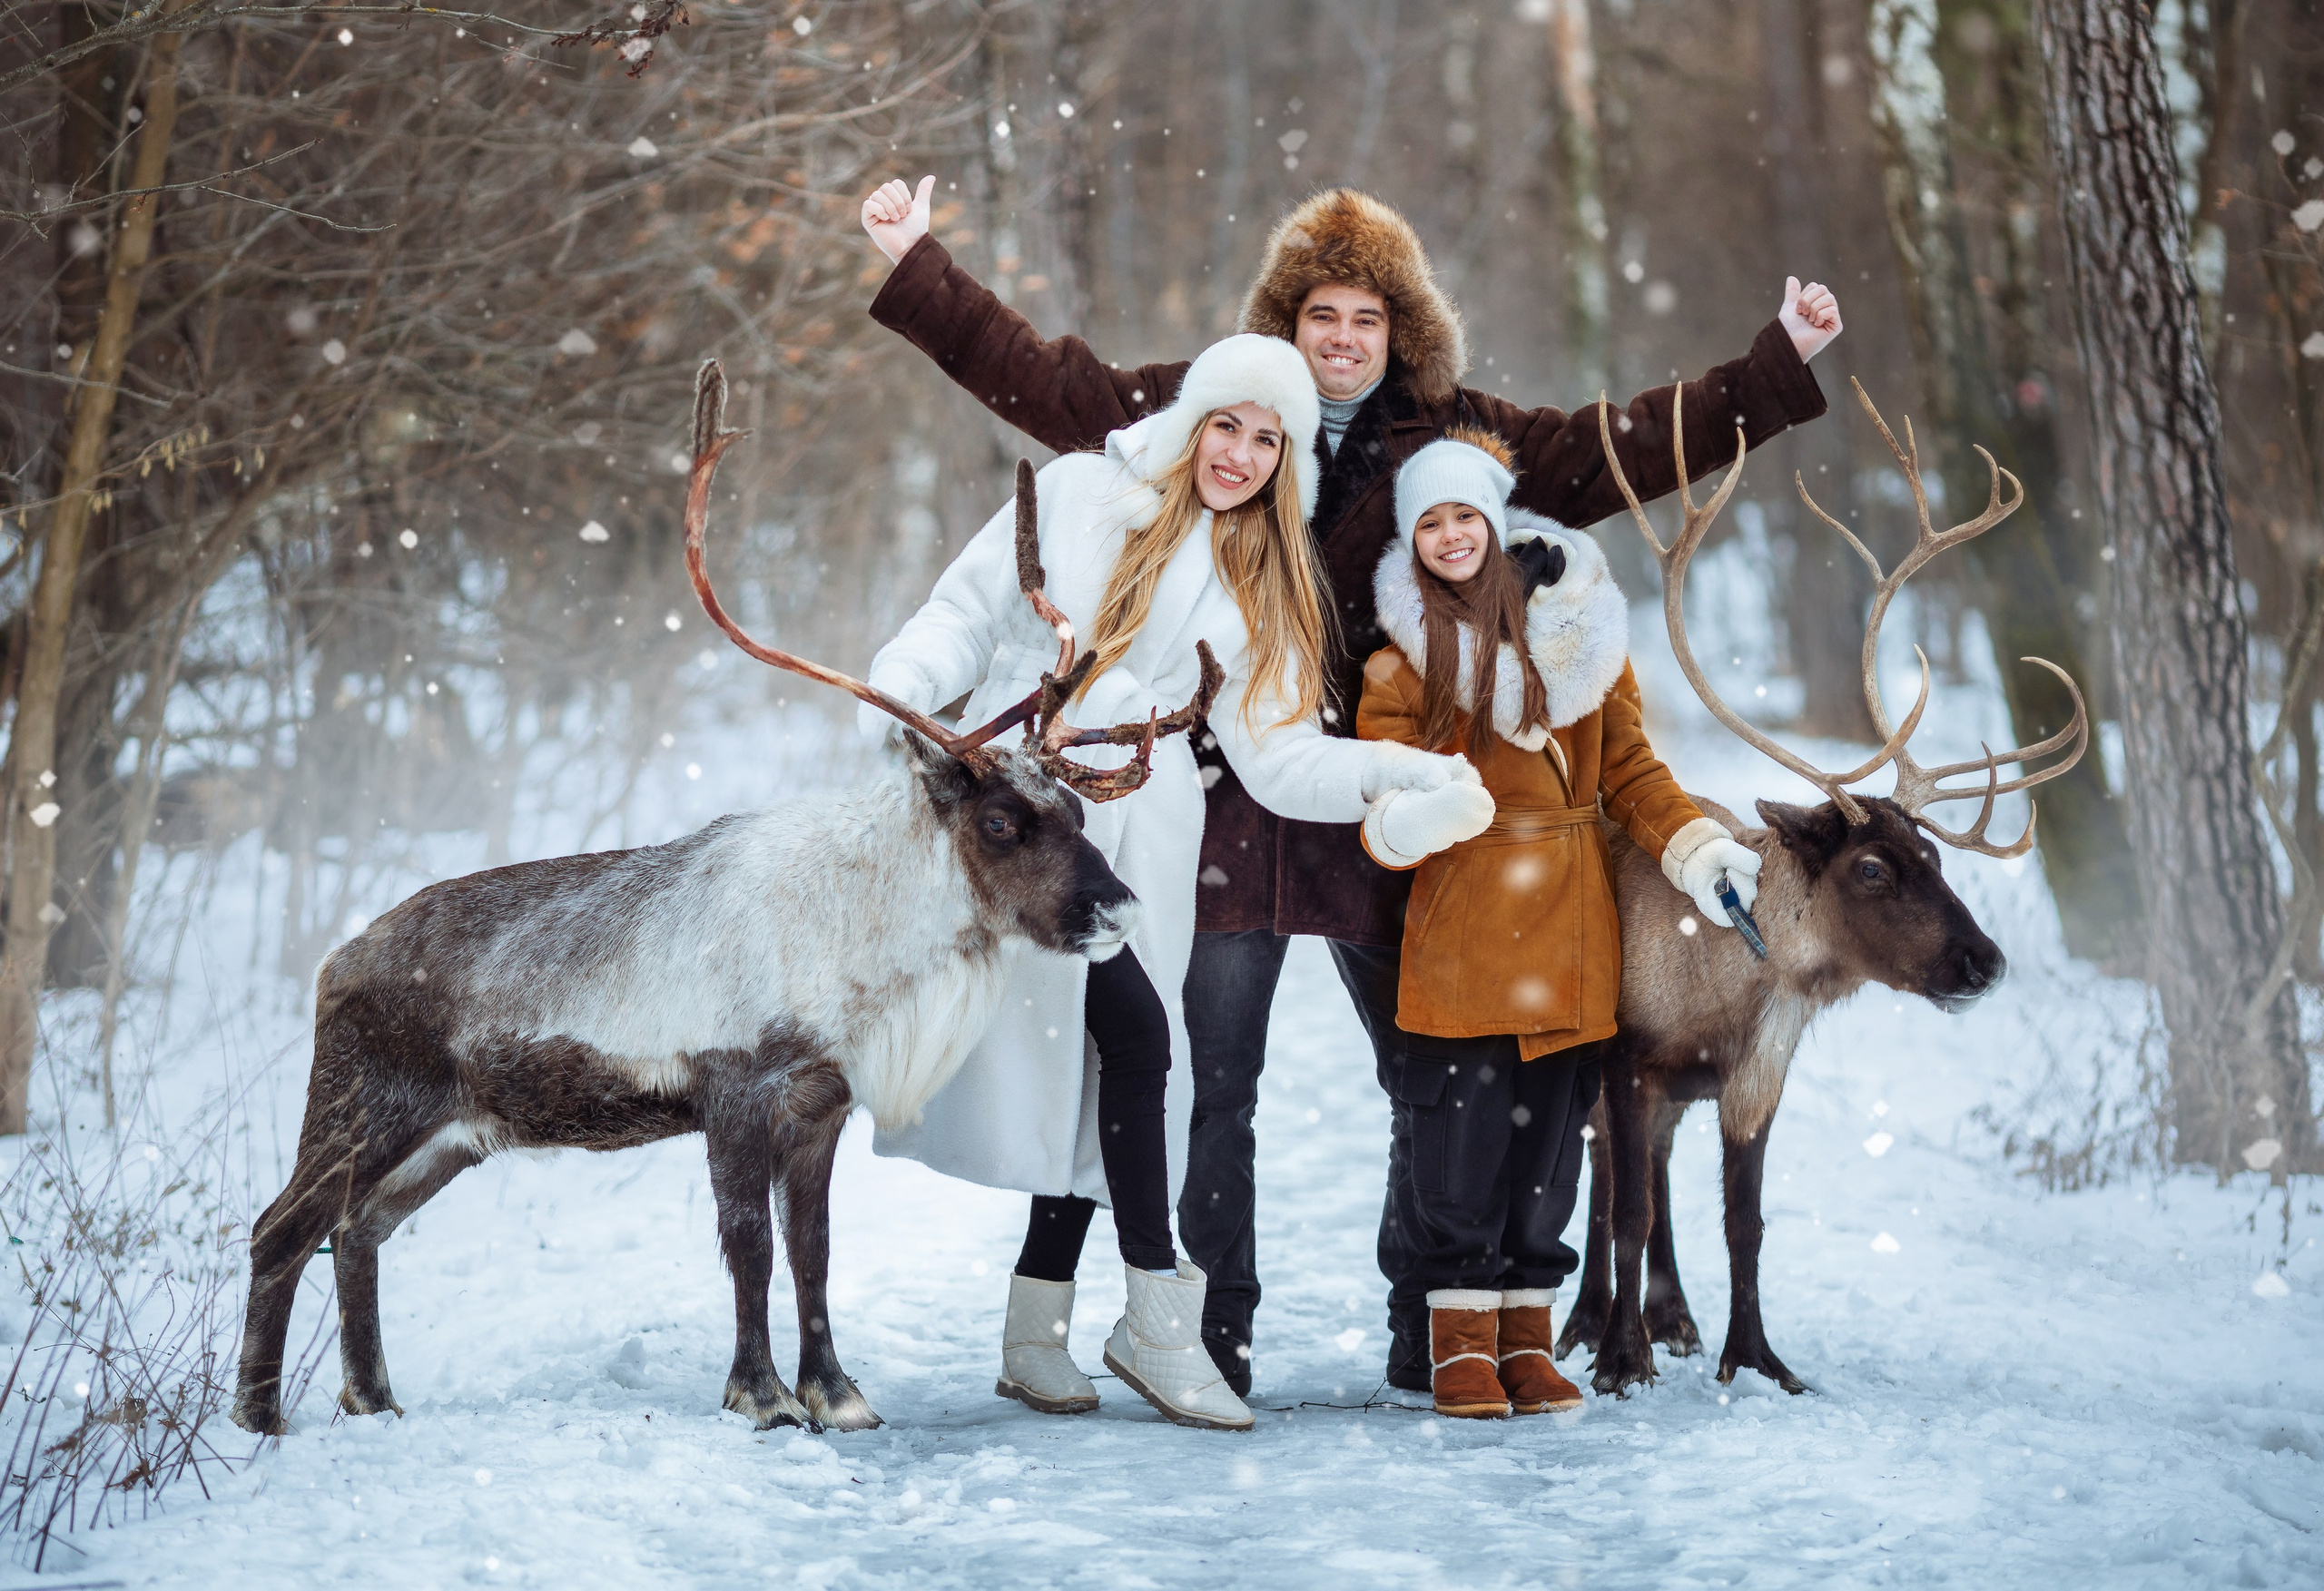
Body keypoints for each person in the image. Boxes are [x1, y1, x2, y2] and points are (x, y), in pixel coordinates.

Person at [860, 175, 1841, 1394]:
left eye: (1367, 319)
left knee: (1431, 1075)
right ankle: (1210, 1332)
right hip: (1227, 797)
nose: (1342, 339)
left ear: (1401, 331)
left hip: (1385, 799)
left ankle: (1429, 1324)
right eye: (1321, 314)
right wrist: (919, 265)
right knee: (1209, 1086)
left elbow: (1615, 447)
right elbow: (1046, 382)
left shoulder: (1459, 433)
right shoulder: (1219, 409)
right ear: (1285, 323)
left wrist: (1771, 368)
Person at [861, 335, 1491, 1430]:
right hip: (1018, 823)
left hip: (1142, 830)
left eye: (1268, 440)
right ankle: (1157, 1319)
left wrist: (1395, 774)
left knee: (1103, 1067)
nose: (1240, 454)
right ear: (1192, 418)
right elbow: (963, 612)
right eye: (1226, 424)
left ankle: (1035, 1334)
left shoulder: (1264, 581)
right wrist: (904, 692)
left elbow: (1279, 756)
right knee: (1140, 1048)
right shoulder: (1076, 494)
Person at [1353, 431, 1760, 1412]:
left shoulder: (1585, 650)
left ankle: (1527, 1340)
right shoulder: (1398, 670)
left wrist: (1694, 847)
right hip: (1463, 932)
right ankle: (1459, 1346)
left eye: (1467, 515)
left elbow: (1631, 773)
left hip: (1573, 934)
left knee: (1546, 1164)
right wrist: (1415, 819)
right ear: (1412, 543)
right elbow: (1376, 803)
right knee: (1459, 1156)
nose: (1452, 535)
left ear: (1497, 526)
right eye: (1430, 522)